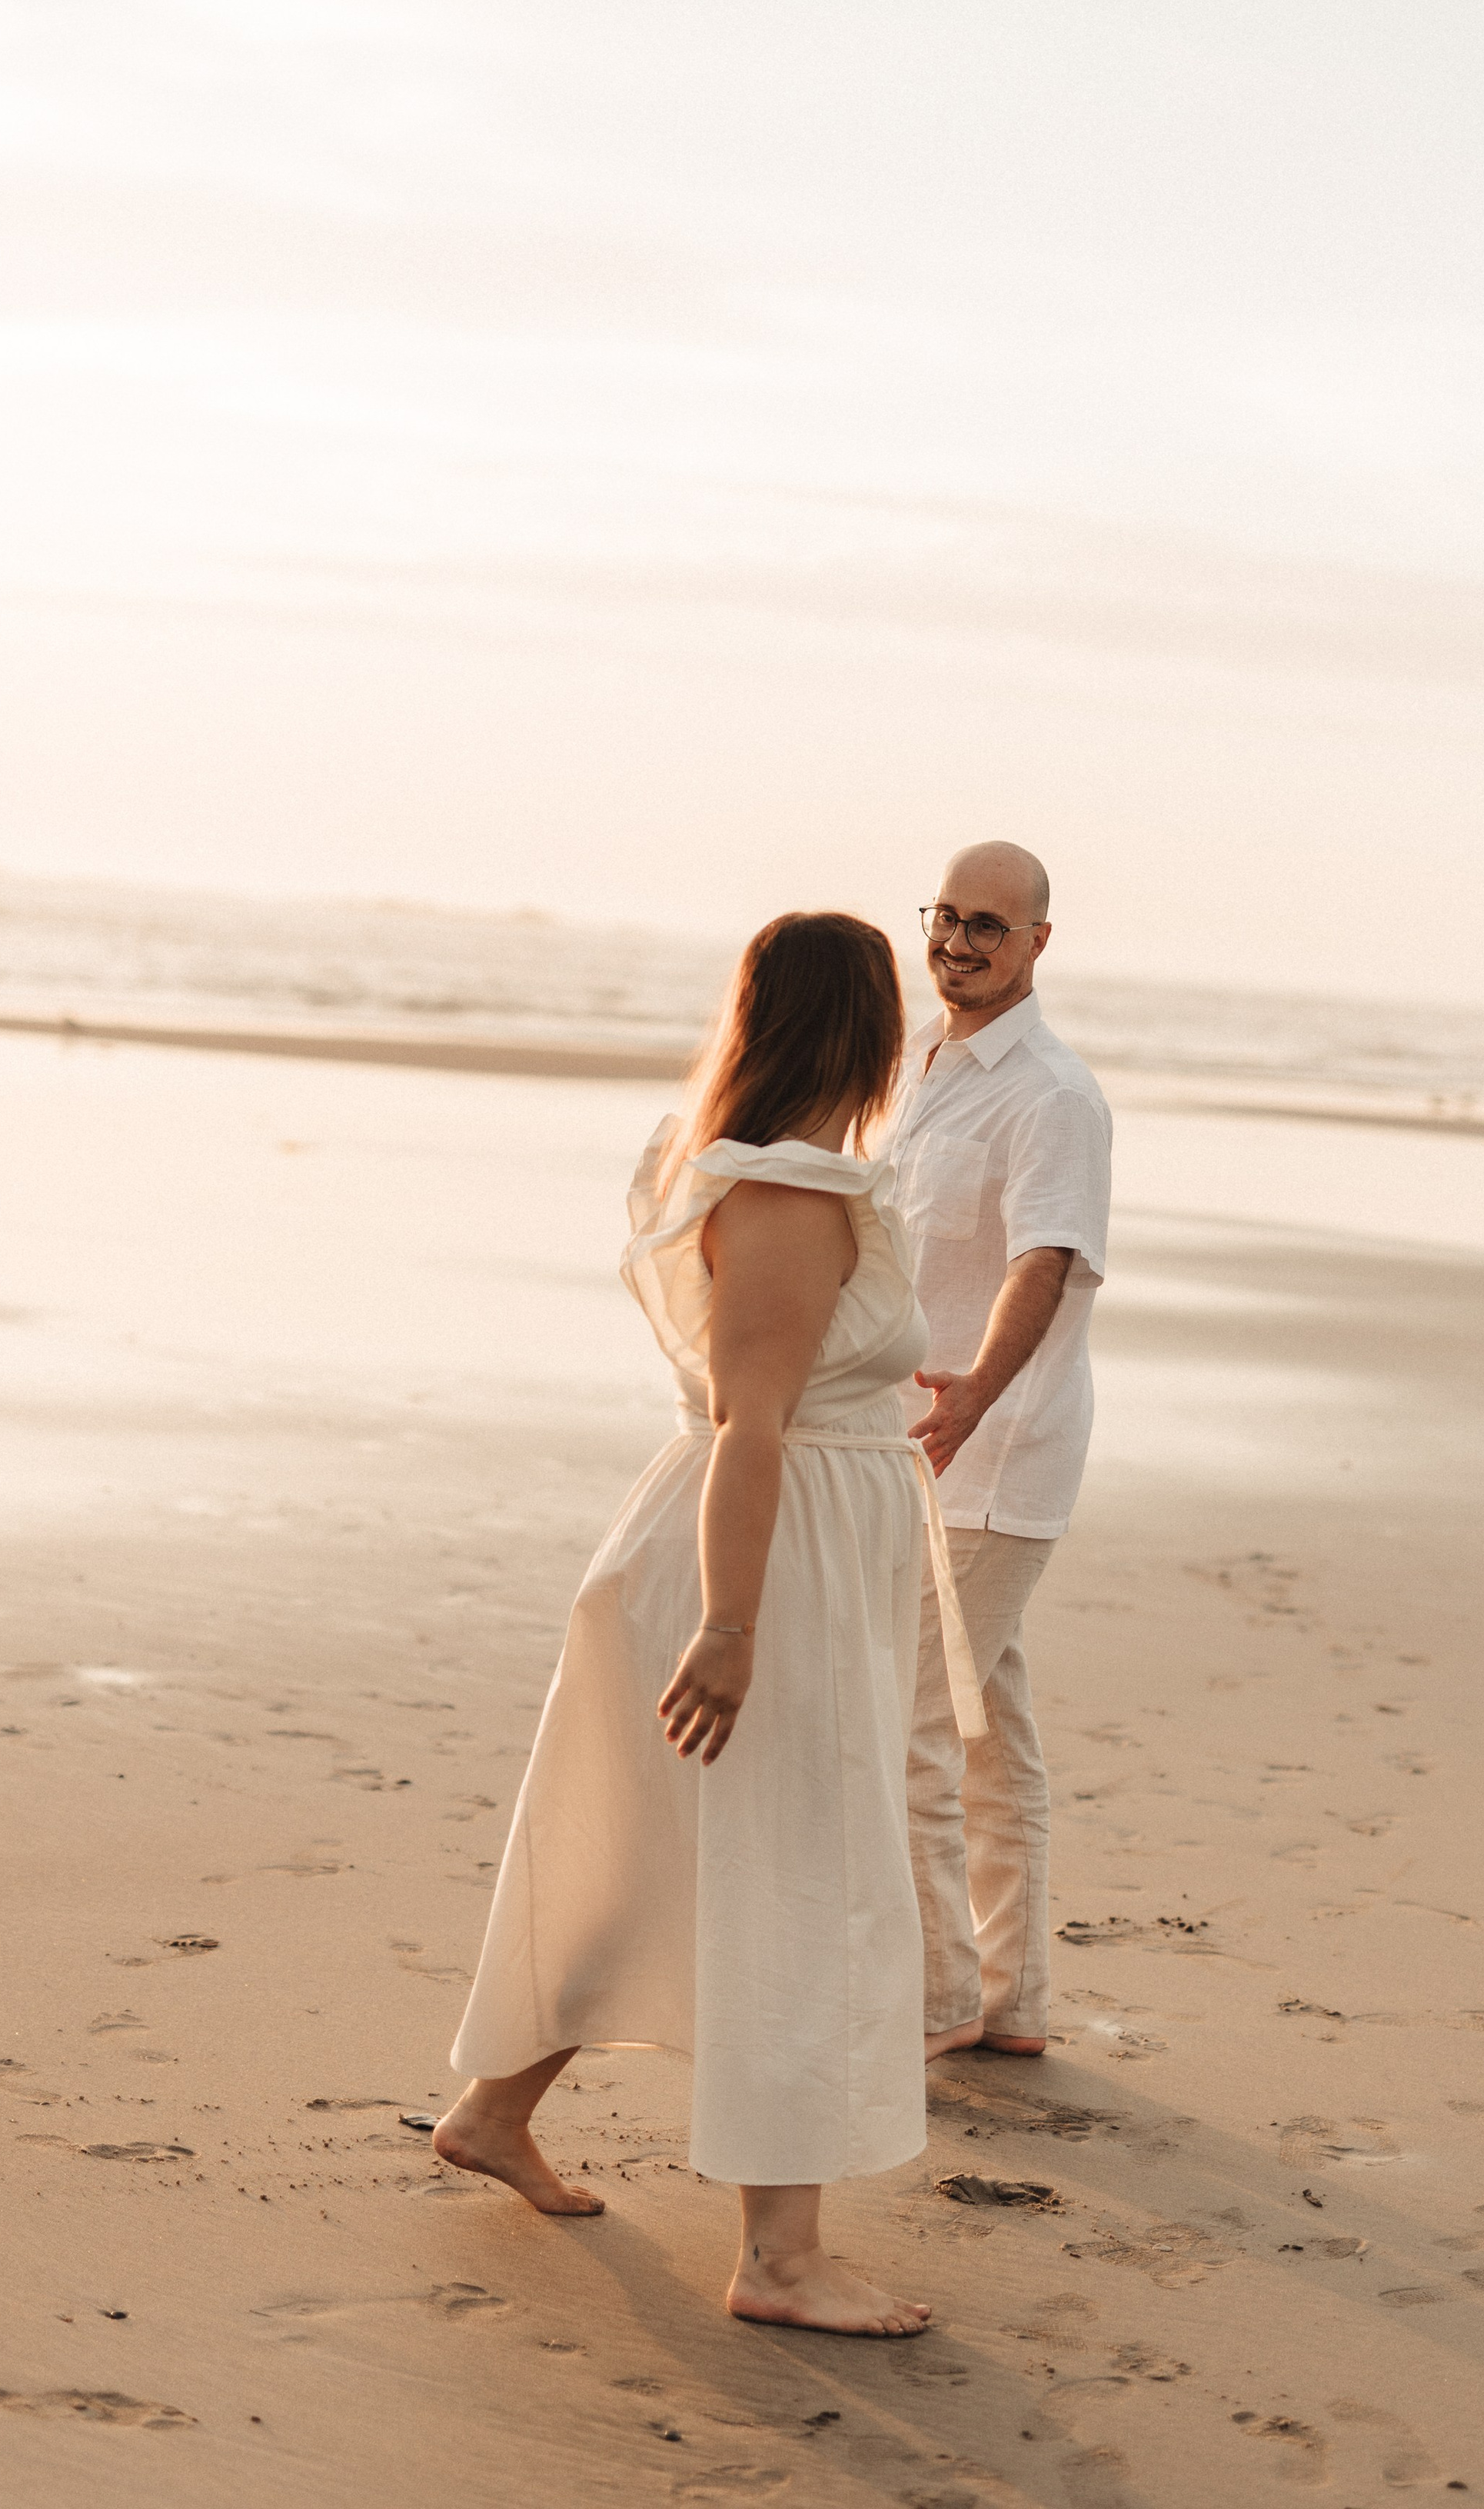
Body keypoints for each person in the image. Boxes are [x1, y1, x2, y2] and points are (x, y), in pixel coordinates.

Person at [433, 911, 984, 2337]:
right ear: (866, 1029)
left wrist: (875, 1398)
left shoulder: (758, 1169)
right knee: (803, 1877)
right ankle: (782, 2258)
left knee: (662, 1857)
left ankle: (494, 2113)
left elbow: (786, 1385)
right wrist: (733, 1630)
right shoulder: (790, 1188)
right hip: (762, 1569)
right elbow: (751, 1422)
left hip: (775, 1550)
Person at [890, 842, 1112, 2065]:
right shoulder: (918, 1064)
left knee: (911, 1731)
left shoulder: (1053, 1097)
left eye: (989, 925)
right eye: (947, 917)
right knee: (988, 1734)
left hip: (992, 1454)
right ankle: (1010, 1997)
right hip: (913, 1447)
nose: (959, 942)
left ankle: (937, 2002)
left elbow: (1047, 1257)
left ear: (1037, 942)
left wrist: (976, 1391)